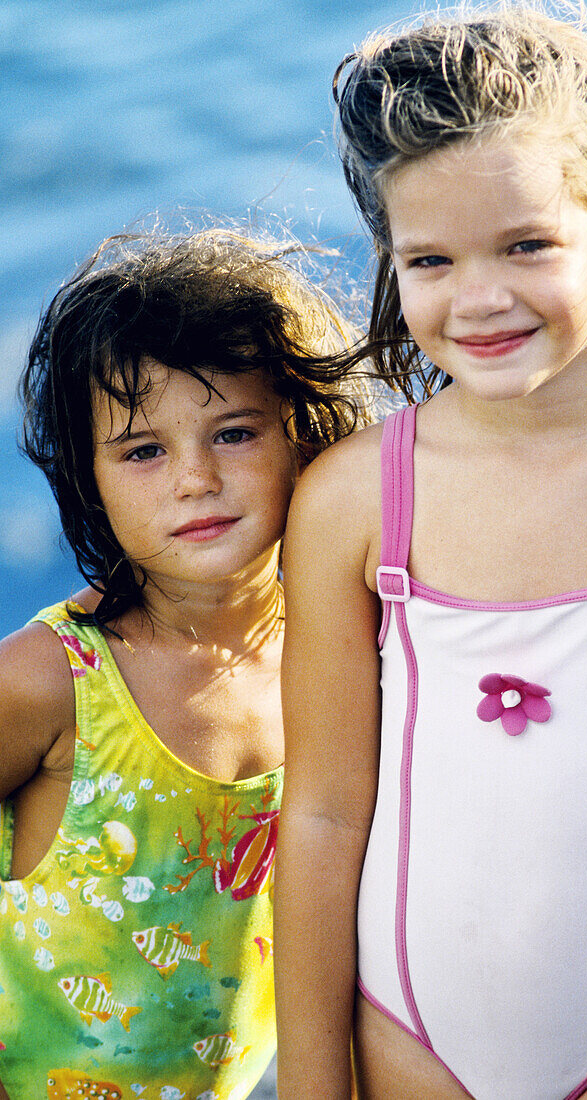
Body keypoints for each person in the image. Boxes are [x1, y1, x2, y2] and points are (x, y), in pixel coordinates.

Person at [274, 4, 587, 1098]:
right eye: (429, 258)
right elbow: (326, 813)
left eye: (526, 244)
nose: (478, 298)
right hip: (408, 1042)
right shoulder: (355, 501)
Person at [0, 226, 365, 1100]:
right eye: (143, 451)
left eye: (234, 433)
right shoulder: (53, 680)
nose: (194, 478)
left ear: (305, 436)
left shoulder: (345, 656)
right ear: (87, 480)